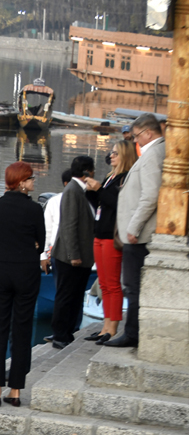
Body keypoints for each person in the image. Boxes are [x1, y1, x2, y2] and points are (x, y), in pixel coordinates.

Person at [0, 162, 46, 406]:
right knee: (21, 330)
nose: (34, 182)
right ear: (21, 182)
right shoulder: (35, 209)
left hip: (0, 270)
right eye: (31, 178)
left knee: (0, 329)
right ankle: (16, 391)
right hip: (26, 272)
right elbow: (40, 244)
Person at [104, 114, 165, 348]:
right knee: (133, 285)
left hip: (139, 234)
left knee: (132, 285)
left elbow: (150, 195)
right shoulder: (154, 152)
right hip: (137, 232)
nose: (135, 140)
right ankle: (133, 331)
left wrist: (133, 227)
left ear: (148, 133)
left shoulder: (152, 155)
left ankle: (132, 333)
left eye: (137, 135)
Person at [86, 140, 136, 344]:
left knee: (113, 284)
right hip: (99, 232)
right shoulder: (109, 177)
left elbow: (118, 204)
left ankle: (112, 328)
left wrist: (99, 189)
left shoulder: (125, 179)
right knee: (104, 283)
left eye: (115, 153)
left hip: (111, 236)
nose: (111, 156)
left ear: (124, 155)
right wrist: (91, 190)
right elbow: (100, 202)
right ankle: (104, 326)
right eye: (111, 153)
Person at [50, 156, 100, 349]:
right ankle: (60, 334)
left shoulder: (84, 192)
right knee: (66, 295)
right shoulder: (72, 191)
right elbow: (69, 225)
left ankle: (68, 332)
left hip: (83, 256)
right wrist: (74, 255)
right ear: (88, 172)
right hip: (69, 257)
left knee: (76, 295)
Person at [42, 169, 73, 272]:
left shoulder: (87, 202)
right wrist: (44, 255)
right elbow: (47, 230)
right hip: (57, 252)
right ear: (66, 184)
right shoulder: (53, 202)